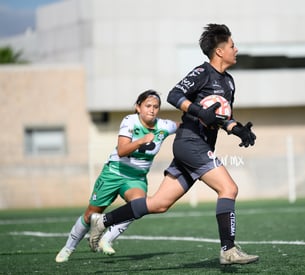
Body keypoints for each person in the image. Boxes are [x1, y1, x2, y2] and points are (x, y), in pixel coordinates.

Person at [88, 23, 258, 265]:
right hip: (190, 142)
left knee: (158, 204)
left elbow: (221, 117)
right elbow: (174, 95)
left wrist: (237, 129)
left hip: (196, 145)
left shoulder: (229, 82)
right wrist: (199, 111)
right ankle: (228, 250)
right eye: (232, 45)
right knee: (228, 189)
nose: (236, 49)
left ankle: (102, 221)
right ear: (219, 51)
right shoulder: (202, 73)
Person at [55, 90, 178, 262]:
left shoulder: (164, 126)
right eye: (148, 106)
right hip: (114, 172)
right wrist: (141, 140)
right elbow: (121, 151)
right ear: (138, 107)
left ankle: (106, 239)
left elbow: (181, 126)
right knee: (90, 214)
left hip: (136, 178)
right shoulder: (130, 120)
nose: (152, 110)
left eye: (156, 107)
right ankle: (68, 248)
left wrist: (203, 119)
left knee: (138, 206)